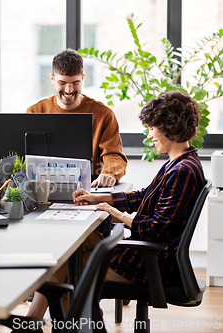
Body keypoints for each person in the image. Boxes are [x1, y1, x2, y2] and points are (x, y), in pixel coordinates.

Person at [27, 91, 206, 320]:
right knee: (65, 255)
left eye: (152, 127)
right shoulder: (181, 162)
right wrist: (100, 199)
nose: (149, 135)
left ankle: (45, 322)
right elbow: (145, 196)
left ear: (168, 126)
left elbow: (156, 229)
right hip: (147, 255)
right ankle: (35, 321)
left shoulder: (182, 171)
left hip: (150, 264)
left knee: (66, 268)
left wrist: (116, 213)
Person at [27, 48, 127, 188]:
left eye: (75, 83)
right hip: (43, 189)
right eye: (62, 83)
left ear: (82, 78)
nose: (69, 90)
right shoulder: (35, 112)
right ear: (52, 79)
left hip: (88, 190)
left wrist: (109, 173)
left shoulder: (104, 114)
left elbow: (114, 155)